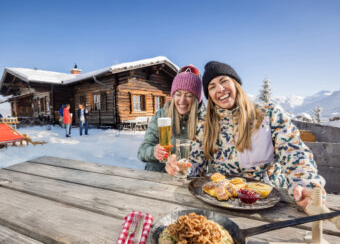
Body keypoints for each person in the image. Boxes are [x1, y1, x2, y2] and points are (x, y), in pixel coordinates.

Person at [166, 61, 326, 210]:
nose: (220, 89)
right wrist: (182, 168)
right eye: (212, 87)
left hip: (269, 200)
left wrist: (306, 184)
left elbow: (294, 153)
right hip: (224, 200)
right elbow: (196, 165)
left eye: (224, 81)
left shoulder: (268, 113)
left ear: (236, 84)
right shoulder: (206, 123)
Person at [137, 65, 206, 172]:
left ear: (197, 99)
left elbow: (208, 160)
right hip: (156, 177)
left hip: (187, 179)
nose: (182, 101)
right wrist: (153, 152)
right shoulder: (162, 115)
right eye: (178, 94)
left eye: (188, 95)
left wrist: (187, 168)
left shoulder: (205, 119)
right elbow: (142, 152)